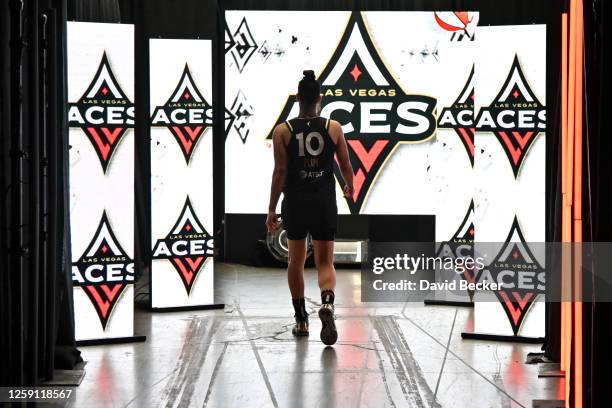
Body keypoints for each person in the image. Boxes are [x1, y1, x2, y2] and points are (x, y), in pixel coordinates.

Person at [266, 70, 354, 346]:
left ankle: (301, 319)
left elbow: (279, 172)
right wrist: (349, 187)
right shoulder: (333, 127)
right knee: (325, 262)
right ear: (319, 98)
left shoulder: (283, 131)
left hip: (295, 201)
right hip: (324, 200)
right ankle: (327, 302)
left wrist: (271, 209)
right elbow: (347, 166)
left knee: (295, 260)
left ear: (297, 98)